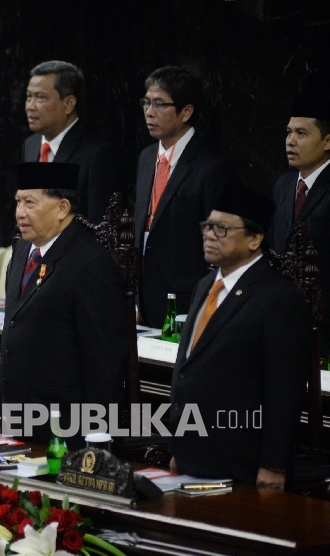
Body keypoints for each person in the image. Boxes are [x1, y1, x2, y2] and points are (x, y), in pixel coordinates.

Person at [170, 185, 310, 489]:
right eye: (207, 226)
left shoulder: (277, 298)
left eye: (221, 229)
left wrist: (273, 465)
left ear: (254, 239)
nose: (209, 235)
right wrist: (178, 445)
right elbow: (187, 371)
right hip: (193, 455)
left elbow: (284, 391)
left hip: (242, 462)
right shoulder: (204, 285)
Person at [0, 162, 128, 446]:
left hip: (62, 425)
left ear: (62, 208)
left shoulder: (90, 263)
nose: (20, 213)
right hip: (16, 416)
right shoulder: (22, 249)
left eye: (30, 203)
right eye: (18, 202)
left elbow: (104, 362)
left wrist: (95, 438)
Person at [133, 66, 237, 328]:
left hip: (184, 300)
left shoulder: (210, 168)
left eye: (159, 104)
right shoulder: (146, 158)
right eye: (146, 102)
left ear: (186, 112)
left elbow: (220, 244)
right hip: (141, 296)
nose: (148, 111)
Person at [21, 61, 124, 223]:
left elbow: (100, 228)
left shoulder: (97, 154)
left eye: (40, 97)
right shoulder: (31, 145)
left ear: (69, 104)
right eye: (28, 97)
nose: (30, 106)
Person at [268, 94, 330, 355]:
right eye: (288, 132)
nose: (290, 141)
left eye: (301, 133)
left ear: (327, 141)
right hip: (284, 319)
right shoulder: (283, 185)